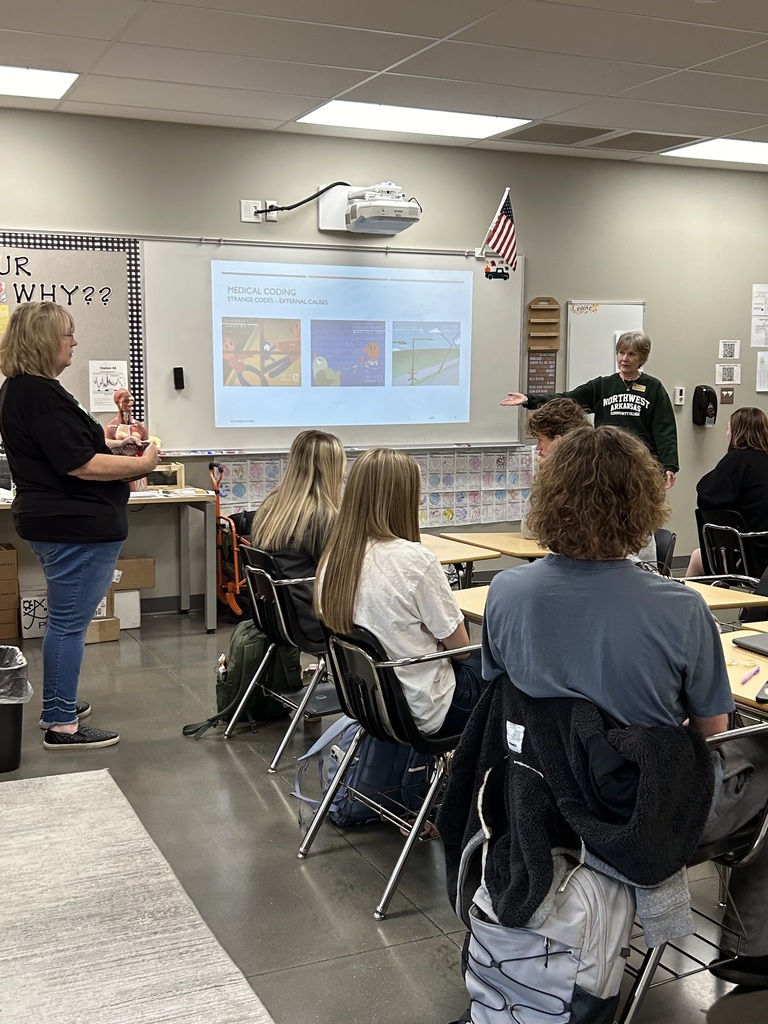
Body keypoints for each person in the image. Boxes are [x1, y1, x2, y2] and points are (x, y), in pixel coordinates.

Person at [481, 424, 768, 987]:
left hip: (534, 795)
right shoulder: (682, 610)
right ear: (645, 503)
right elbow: (711, 732)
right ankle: (751, 949)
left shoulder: (505, 593)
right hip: (640, 809)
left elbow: (502, 701)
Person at [0, 301, 158, 749]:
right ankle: (60, 724)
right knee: (70, 625)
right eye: (68, 336)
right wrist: (140, 463)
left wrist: (110, 438)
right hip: (74, 526)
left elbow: (67, 447)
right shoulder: (39, 393)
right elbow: (81, 465)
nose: (74, 344)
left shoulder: (25, 389)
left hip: (60, 522)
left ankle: (58, 703)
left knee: (66, 622)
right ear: (45, 341)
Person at [317, 448, 485, 736]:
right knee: (503, 665)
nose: (419, 500)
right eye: (416, 492)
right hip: (426, 710)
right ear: (399, 499)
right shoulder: (414, 561)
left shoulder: (332, 560)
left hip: (369, 703)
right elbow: (460, 648)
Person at [502, 330, 679, 488]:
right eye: (621, 352)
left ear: (642, 358)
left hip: (640, 463)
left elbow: (664, 429)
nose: (624, 359)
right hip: (606, 461)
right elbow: (567, 399)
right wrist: (529, 400)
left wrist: (669, 465)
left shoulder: (653, 387)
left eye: (631, 354)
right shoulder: (602, 385)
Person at [250, 429, 346, 644]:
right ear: (332, 469)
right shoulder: (324, 515)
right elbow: (340, 575)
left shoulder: (271, 505)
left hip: (276, 616)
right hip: (312, 619)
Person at [686, 406, 768, 578]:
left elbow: (706, 496)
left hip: (753, 559)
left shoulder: (737, 460)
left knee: (697, 558)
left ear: (736, 432)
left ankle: (689, 604)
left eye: (728, 429)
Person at [520, 398, 590, 538]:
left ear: (559, 442)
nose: (538, 448)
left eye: (540, 439)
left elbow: (532, 529)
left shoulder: (582, 479)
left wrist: (545, 472)